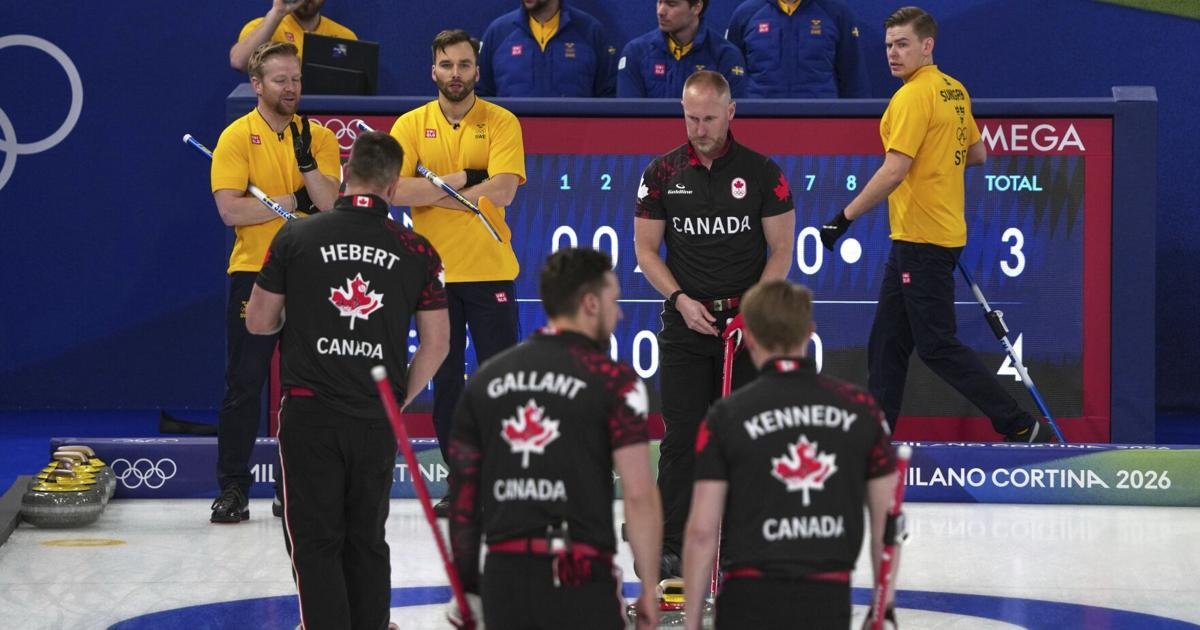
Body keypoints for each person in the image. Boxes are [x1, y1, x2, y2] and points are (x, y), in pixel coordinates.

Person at [820, 6, 1055, 443]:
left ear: (927, 45)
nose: (892, 53)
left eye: (903, 44)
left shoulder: (911, 97)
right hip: (928, 237)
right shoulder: (954, 90)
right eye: (889, 45)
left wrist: (842, 220)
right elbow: (979, 154)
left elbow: (894, 170)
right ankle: (878, 438)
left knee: (936, 346)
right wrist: (940, 168)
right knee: (886, 345)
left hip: (922, 239)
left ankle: (1018, 423)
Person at [245, 131, 451, 629]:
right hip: (374, 414)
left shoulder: (294, 237)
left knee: (315, 539)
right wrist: (399, 399)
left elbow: (257, 321)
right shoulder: (417, 249)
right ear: (395, 187)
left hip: (309, 412)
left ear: (343, 176)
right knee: (366, 536)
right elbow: (438, 344)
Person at [445, 247, 662, 630]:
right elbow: (640, 496)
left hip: (505, 576)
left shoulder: (485, 380)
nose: (621, 313)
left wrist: (467, 588)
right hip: (581, 572)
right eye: (615, 301)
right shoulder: (615, 381)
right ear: (590, 304)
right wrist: (648, 587)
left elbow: (464, 502)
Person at [633, 70, 795, 577]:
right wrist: (679, 299)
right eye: (690, 117)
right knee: (681, 435)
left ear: (730, 113)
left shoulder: (764, 173)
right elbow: (645, 250)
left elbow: (783, 249)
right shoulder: (661, 173)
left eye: (708, 117)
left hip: (744, 329)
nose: (699, 128)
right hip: (686, 325)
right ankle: (670, 546)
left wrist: (752, 310)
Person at [681, 280, 899, 629]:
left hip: (747, 596)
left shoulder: (725, 416)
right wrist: (883, 604)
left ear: (748, 336)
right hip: (826, 597)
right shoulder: (861, 409)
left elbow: (702, 531)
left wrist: (692, 620)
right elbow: (887, 522)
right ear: (809, 332)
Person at [387, 29, 527, 517]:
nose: (455, 74)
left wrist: (433, 189)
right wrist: (466, 180)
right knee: (446, 384)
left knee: (499, 381)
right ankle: (461, 482)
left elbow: (505, 190)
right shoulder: (409, 125)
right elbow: (396, 191)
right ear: (433, 70)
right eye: (447, 65)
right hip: (433, 274)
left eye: (464, 65)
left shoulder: (502, 121)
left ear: (476, 70)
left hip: (490, 270)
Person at [209, 41, 341, 523]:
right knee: (244, 383)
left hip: (310, 273)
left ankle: (295, 489)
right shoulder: (236, 137)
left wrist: (308, 168)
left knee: (305, 388)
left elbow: (330, 206)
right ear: (258, 85)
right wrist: (290, 197)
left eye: (297, 79)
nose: (291, 88)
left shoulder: (320, 138)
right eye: (281, 80)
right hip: (254, 273)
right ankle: (233, 489)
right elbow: (230, 210)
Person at [725, 0, 870, 98]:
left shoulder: (836, 12)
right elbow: (731, 80)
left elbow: (854, 78)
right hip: (759, 119)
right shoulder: (745, 14)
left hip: (821, 120)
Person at [478, 0, 618, 97]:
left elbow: (608, 95)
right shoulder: (498, 33)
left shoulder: (590, 31)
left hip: (577, 137)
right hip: (512, 137)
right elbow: (481, 95)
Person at [617, 0, 748, 98]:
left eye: (671, 4)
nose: (660, 11)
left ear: (697, 7)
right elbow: (629, 119)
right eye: (659, 2)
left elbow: (733, 119)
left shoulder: (726, 56)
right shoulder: (636, 52)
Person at [230, 0, 357, 72]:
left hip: (328, 116)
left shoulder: (345, 36)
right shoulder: (264, 28)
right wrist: (278, 11)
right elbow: (239, 62)